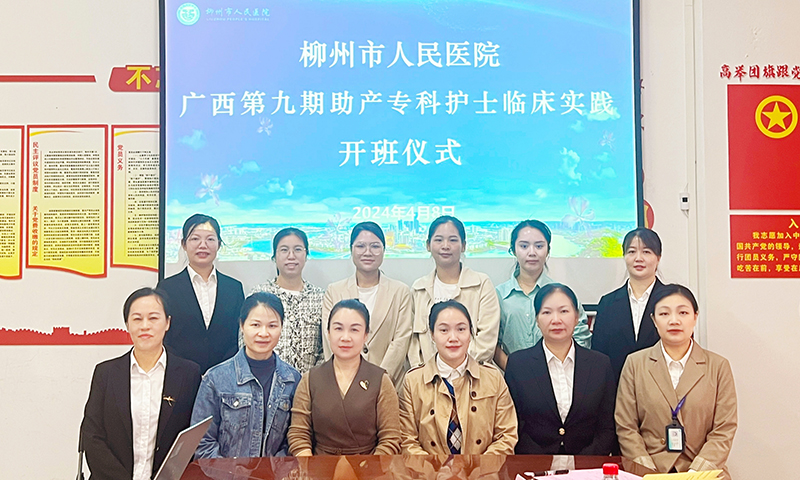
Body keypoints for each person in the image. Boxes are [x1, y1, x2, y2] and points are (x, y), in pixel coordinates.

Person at [615, 284, 737, 478]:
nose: (674, 320)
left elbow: (724, 429)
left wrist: (695, 473)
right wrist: (648, 472)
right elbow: (626, 426)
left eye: (683, 313)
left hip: (704, 472)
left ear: (695, 317)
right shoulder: (635, 364)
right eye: (664, 314)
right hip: (650, 471)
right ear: (654, 320)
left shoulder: (718, 366)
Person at [81, 288, 201, 480]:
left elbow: (193, 437)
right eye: (137, 319)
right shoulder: (106, 373)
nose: (145, 326)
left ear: (167, 323)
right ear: (127, 324)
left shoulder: (189, 374)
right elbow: (92, 436)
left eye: (153, 318)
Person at [504, 283, 616, 455]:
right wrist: (545, 464)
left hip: (588, 464)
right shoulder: (518, 364)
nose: (556, 320)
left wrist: (582, 464)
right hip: (534, 464)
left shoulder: (600, 364)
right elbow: (514, 425)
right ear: (537, 319)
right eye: (547, 312)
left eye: (564, 311)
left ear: (577, 317)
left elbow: (607, 427)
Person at [399, 300, 517, 455]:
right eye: (444, 330)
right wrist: (435, 469)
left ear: (471, 333)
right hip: (429, 469)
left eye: (461, 329)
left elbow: (506, 435)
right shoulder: (413, 381)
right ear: (432, 334)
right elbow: (407, 440)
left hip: (484, 468)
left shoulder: (493, 378)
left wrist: (479, 467)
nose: (453, 338)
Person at [192, 292, 301, 458]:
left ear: (281, 327)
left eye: (272, 326)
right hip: (224, 472)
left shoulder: (292, 380)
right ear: (242, 325)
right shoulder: (215, 379)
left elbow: (293, 441)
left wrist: (270, 470)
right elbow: (202, 443)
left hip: (275, 472)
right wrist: (230, 471)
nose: (263, 333)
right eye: (255, 325)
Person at [288, 299, 401, 455]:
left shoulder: (381, 380)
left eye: (354, 330)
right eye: (338, 328)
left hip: (368, 465)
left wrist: (372, 467)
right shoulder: (310, 379)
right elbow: (299, 434)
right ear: (328, 332)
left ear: (366, 335)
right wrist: (309, 465)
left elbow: (391, 438)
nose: (345, 337)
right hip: (319, 464)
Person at [322, 221, 412, 387]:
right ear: (351, 250)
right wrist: (346, 380)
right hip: (343, 386)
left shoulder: (400, 291)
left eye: (375, 246)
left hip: (388, 385)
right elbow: (330, 341)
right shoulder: (334, 291)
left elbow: (401, 342)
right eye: (361, 246)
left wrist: (378, 382)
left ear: (384, 250)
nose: (368, 252)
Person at [495, 220, 591, 369]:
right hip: (512, 376)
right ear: (513, 250)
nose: (532, 252)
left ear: (548, 250)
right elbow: (492, 343)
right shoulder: (498, 295)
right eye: (524, 246)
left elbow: (581, 337)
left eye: (539, 246)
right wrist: (514, 371)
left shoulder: (562, 294)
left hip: (559, 374)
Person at [408, 215, 500, 367]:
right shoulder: (419, 289)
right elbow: (413, 343)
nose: (445, 246)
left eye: (453, 240)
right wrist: (425, 372)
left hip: (472, 374)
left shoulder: (481, 284)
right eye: (438, 240)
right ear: (428, 245)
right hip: (428, 377)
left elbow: (487, 339)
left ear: (463, 246)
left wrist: (458, 370)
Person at [157, 214, 244, 373]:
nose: (203, 245)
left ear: (219, 244)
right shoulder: (167, 288)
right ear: (184, 244)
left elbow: (237, 337)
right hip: (180, 374)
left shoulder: (234, 288)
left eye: (210, 239)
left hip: (225, 376)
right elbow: (164, 336)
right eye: (195, 239)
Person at [592, 227, 668, 379]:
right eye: (631, 252)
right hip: (617, 387)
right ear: (624, 256)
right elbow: (598, 356)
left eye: (646, 252)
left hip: (661, 386)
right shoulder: (607, 303)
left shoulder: (671, 300)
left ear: (658, 257)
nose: (638, 258)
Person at [251, 227, 324, 373]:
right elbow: (247, 342)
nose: (291, 256)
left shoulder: (320, 297)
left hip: (309, 383)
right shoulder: (259, 295)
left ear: (306, 255)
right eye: (284, 250)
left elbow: (326, 348)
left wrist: (314, 379)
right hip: (265, 380)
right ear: (274, 257)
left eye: (298, 249)